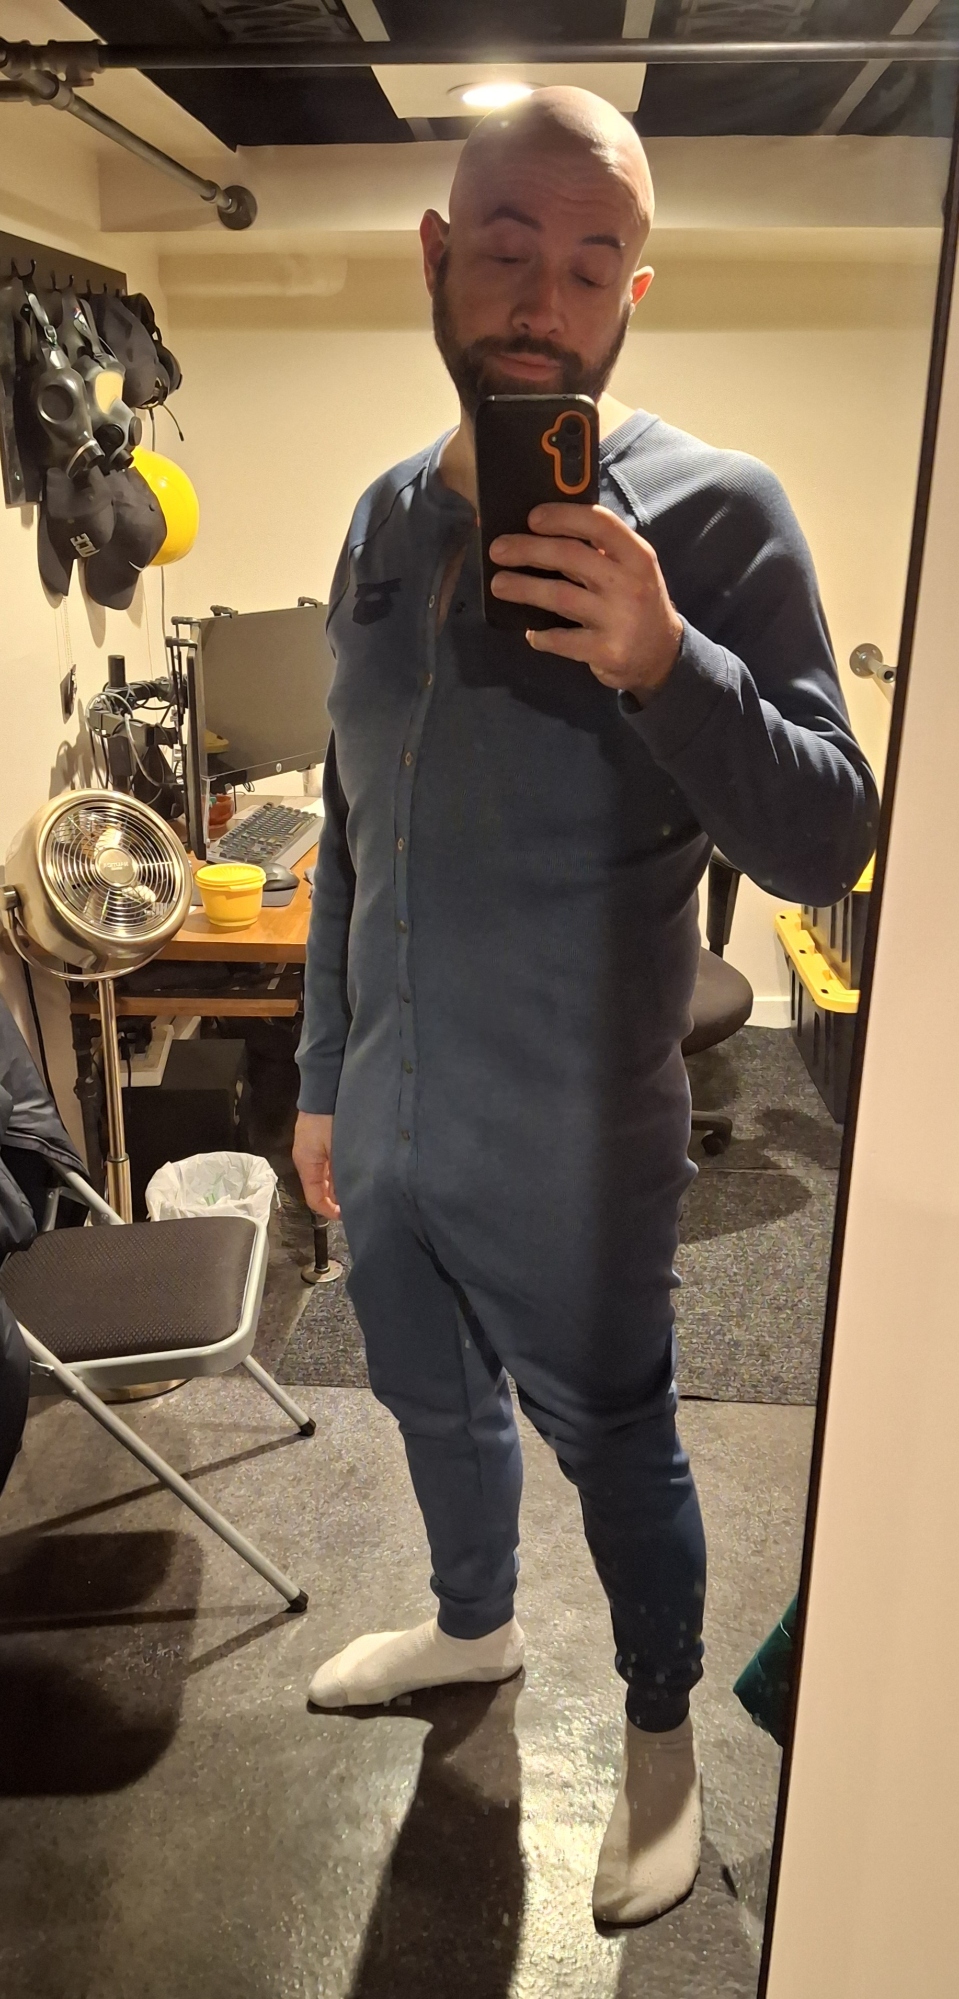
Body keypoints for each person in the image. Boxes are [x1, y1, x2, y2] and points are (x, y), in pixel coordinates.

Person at [293, 87, 878, 1926]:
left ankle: (658, 1738)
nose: (542, 300)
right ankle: (472, 1624)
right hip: (391, 1120)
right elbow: (350, 828)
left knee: (622, 1442)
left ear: (635, 290)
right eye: (506, 251)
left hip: (573, 1138)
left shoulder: (717, 517)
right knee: (428, 1397)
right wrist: (319, 1079)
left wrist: (668, 659)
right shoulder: (381, 522)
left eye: (590, 262)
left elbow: (829, 835)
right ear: (437, 257)